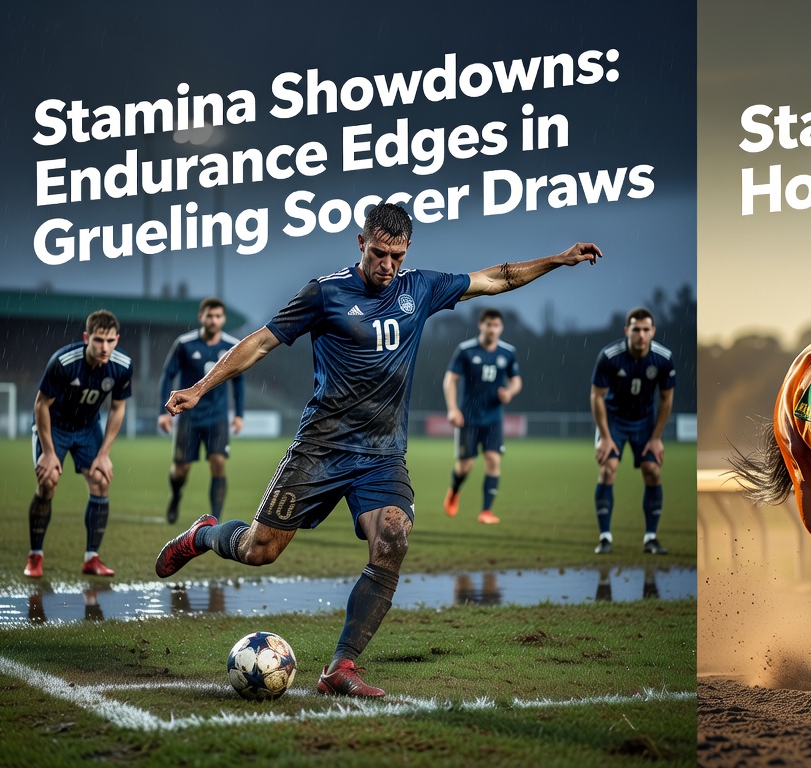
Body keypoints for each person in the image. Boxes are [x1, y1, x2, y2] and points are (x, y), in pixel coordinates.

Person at [154, 203, 601, 697]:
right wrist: (200, 388)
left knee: (393, 537)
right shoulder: (324, 293)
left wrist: (558, 260)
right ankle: (202, 535)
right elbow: (260, 343)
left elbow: (498, 278)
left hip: (382, 455)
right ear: (361, 243)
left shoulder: (421, 288)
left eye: (397, 256)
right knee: (258, 550)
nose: (388, 265)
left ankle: (340, 666)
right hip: (321, 448)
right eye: (379, 253)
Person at [25, 310, 132, 579]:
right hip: (54, 426)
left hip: (87, 427)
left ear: (117, 340)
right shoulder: (63, 362)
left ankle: (91, 558)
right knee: (48, 482)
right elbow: (41, 405)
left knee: (101, 480)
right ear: (86, 338)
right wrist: (49, 452)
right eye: (98, 340)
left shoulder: (122, 366)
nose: (104, 347)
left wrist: (104, 453)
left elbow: (118, 408)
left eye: (110, 341)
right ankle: (35, 555)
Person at [591, 307, 675, 555]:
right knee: (608, 469)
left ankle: (651, 538)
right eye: (636, 329)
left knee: (653, 471)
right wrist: (605, 437)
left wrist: (656, 438)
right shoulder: (609, 356)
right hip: (613, 420)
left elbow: (666, 399)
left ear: (653, 331)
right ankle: (605, 538)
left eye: (645, 329)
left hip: (644, 421)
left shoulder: (663, 358)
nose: (641, 335)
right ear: (626, 330)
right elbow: (596, 397)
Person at [158, 297, 245, 524]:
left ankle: (215, 519)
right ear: (201, 317)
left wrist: (239, 415)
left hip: (217, 416)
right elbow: (168, 375)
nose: (213, 320)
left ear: (223, 319)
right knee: (181, 469)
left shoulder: (232, 346)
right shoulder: (184, 344)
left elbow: (239, 382)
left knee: (218, 462)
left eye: (218, 316)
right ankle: (176, 495)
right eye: (209, 316)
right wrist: (162, 412)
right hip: (188, 415)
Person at [443, 308, 521, 524]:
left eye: (496, 325)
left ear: (501, 328)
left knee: (493, 460)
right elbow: (450, 380)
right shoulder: (466, 350)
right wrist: (453, 409)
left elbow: (516, 381)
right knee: (465, 466)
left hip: (493, 418)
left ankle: (486, 511)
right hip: (468, 418)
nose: (492, 329)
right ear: (481, 326)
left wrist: (510, 392)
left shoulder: (508, 352)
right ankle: (454, 490)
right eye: (488, 325)